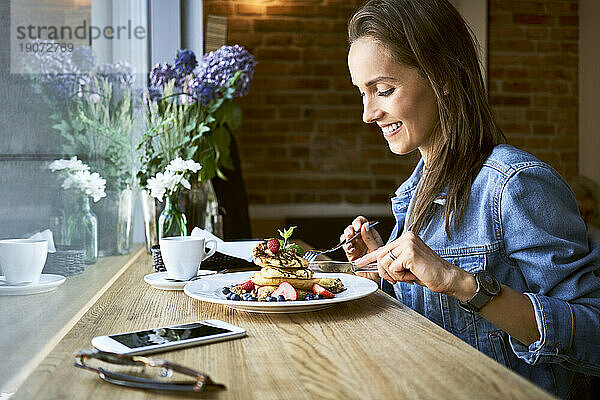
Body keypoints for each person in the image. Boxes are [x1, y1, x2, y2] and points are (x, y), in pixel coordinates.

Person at [342, 1, 600, 398]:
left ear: (441, 75)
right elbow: (436, 331)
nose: (368, 113)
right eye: (363, 93)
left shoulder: (516, 185)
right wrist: (381, 276)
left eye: (383, 90)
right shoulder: (417, 193)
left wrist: (460, 282)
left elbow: (594, 334)